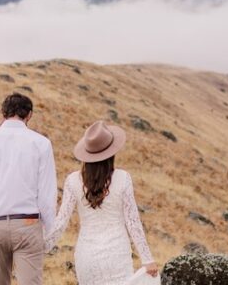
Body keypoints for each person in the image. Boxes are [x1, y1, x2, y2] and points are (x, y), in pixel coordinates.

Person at [46, 120, 160, 285]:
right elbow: (132, 221)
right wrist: (147, 259)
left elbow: (61, 221)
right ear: (111, 153)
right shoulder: (123, 178)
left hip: (87, 255)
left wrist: (43, 247)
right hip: (117, 254)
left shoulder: (73, 181)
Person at [0, 93, 58, 285]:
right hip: (28, 224)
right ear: (29, 115)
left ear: (3, 113)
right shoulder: (41, 143)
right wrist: (49, 230)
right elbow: (46, 195)